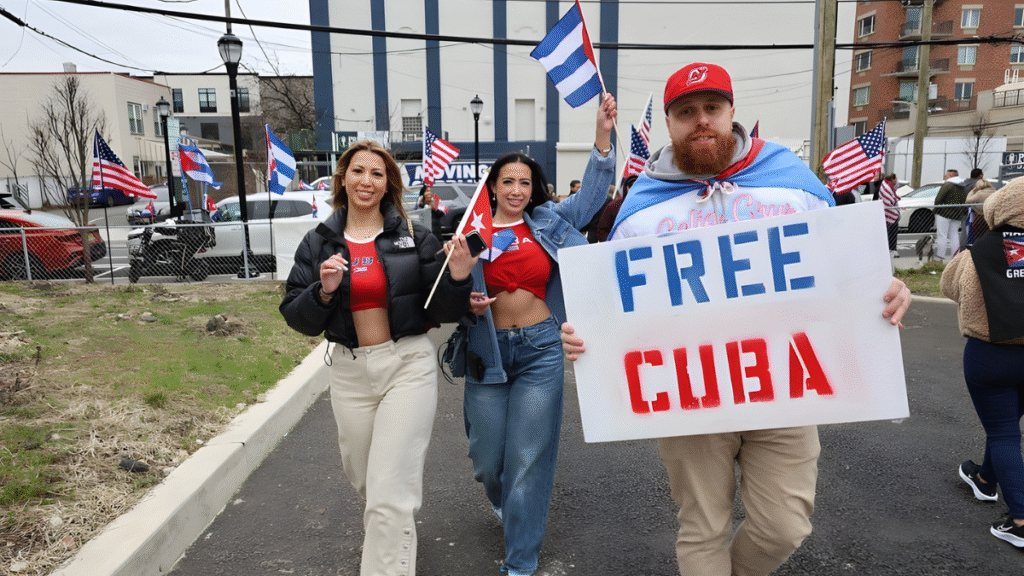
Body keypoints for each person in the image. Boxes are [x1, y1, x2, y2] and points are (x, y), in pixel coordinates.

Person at [560, 62, 912, 576]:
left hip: (788, 382)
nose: (700, 121)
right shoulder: (640, 210)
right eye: (686, 112)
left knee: (785, 527)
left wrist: (888, 289)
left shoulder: (793, 182)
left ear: (731, 113)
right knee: (703, 528)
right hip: (689, 394)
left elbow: (846, 271)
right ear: (671, 124)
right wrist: (588, 335)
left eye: (711, 109)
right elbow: (616, 305)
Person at [279, 140, 478, 576]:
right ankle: (396, 531)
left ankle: (388, 555)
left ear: (388, 183)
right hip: (350, 373)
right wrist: (324, 291)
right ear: (343, 178)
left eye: (377, 173)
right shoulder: (318, 243)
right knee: (368, 480)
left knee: (389, 496)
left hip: (407, 366)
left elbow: (441, 310)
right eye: (358, 171)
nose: (366, 181)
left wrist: (459, 275)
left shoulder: (414, 238)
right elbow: (298, 317)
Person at [454, 93, 617, 576]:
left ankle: (519, 562)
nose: (517, 189)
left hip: (541, 347)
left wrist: (602, 137)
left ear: (534, 188)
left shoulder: (548, 220)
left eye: (525, 182)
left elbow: (592, 197)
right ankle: (506, 502)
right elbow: (445, 289)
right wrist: (463, 290)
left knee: (528, 457)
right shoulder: (471, 230)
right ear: (493, 186)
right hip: (487, 351)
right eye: (508, 181)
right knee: (487, 459)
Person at [940, 176, 1024, 548]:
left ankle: (1020, 519)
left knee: (1003, 430)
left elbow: (948, 287)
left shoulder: (978, 252)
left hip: (991, 354)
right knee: (1005, 425)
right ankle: (986, 479)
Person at [933, 170, 974, 262]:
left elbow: (938, 199)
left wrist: (938, 209)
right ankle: (955, 258)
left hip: (943, 213)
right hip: (957, 215)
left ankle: (940, 258)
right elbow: (965, 200)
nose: (944, 178)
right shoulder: (962, 186)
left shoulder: (948, 184)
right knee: (954, 235)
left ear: (951, 175)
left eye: (946, 175)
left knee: (942, 235)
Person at [595, 174, 637, 242]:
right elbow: (602, 229)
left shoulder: (647, 205)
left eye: (636, 186)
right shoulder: (614, 206)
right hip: (617, 245)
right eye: (631, 186)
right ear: (626, 187)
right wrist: (610, 243)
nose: (633, 189)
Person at [965, 178, 996, 244]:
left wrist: (973, 191)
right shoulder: (994, 192)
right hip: (992, 217)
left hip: (980, 216)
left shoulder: (980, 193)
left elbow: (968, 200)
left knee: (977, 235)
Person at [880, 172, 900, 256]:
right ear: (892, 179)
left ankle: (891, 249)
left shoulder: (888, 186)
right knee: (890, 233)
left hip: (889, 213)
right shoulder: (886, 188)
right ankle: (891, 249)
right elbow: (888, 201)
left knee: (891, 233)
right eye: (895, 179)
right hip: (888, 214)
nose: (896, 181)